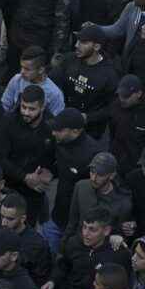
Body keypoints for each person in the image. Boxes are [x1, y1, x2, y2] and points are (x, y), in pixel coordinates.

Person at [43, 108, 106, 254]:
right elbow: (54, 162)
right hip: (57, 216)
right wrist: (50, 172)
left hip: (78, 226)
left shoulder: (93, 154)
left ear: (76, 131)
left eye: (59, 130)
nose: (53, 133)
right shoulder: (59, 140)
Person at [0, 85, 54, 227]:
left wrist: (50, 173)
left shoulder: (51, 126)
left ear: (43, 107)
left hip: (34, 191)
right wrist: (24, 177)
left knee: (26, 227)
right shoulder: (8, 121)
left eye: (32, 109)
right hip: (8, 184)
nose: (26, 112)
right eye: (23, 107)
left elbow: (57, 157)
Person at [40, 207, 131, 289]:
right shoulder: (73, 243)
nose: (85, 233)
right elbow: (63, 265)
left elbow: (122, 288)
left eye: (92, 229)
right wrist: (52, 281)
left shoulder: (118, 254)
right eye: (84, 227)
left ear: (106, 231)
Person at [51, 25, 119, 139]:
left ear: (96, 46)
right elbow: (52, 82)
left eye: (83, 42)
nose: (76, 45)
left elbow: (112, 108)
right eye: (77, 40)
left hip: (90, 132)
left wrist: (88, 117)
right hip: (63, 123)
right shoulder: (69, 60)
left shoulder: (110, 75)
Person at [64, 152, 133, 240]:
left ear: (112, 175)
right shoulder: (81, 187)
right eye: (92, 172)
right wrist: (63, 248)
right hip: (78, 245)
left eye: (100, 175)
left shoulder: (123, 203)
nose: (93, 178)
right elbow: (72, 223)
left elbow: (119, 237)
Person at [0, 192, 52, 286]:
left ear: (23, 218)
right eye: (2, 216)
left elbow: (39, 280)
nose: (3, 223)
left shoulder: (36, 245)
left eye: (10, 219)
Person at [1, 46, 65, 116]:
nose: (22, 72)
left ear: (41, 70)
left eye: (27, 69)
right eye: (21, 67)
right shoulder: (17, 80)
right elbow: (5, 105)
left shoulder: (55, 94)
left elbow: (55, 121)